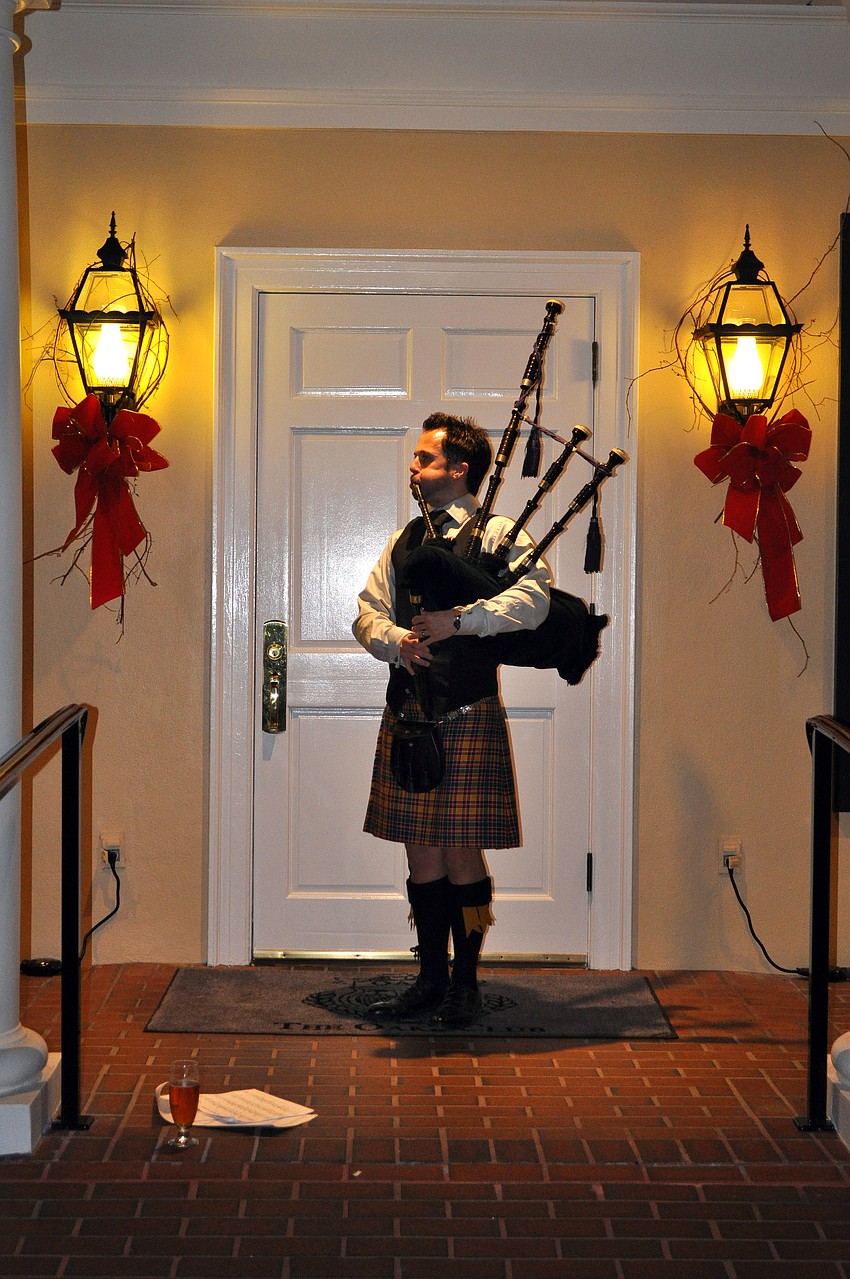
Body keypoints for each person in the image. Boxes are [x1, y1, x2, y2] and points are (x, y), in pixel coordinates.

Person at [352, 412, 551, 1029]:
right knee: (421, 858)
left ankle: (465, 983)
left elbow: (534, 601)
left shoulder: (499, 535)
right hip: (409, 711)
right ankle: (430, 979)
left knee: (463, 857)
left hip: (465, 711)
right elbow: (367, 611)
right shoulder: (405, 538)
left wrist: (460, 620)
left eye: (424, 458)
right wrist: (395, 642)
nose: (413, 467)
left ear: (458, 469)